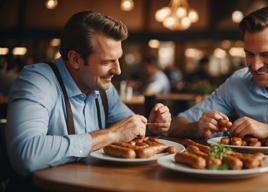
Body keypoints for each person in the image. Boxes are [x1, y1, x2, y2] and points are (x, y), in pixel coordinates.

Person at [5, 11, 171, 176]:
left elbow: (130, 130)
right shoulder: (37, 81)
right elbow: (25, 155)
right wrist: (111, 134)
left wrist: (152, 126)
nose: (118, 70)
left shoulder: (104, 88)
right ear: (75, 60)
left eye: (118, 59)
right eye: (107, 62)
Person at [168, 6, 268, 154]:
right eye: (249, 54)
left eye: (266, 54)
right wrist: (197, 128)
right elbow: (176, 125)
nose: (255, 65)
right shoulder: (237, 82)